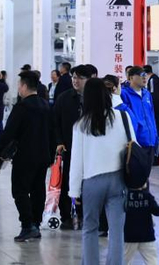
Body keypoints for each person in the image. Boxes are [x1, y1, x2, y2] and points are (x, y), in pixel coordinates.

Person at [69, 78, 135, 265]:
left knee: (90, 228)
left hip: (92, 182)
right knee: (116, 231)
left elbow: (77, 161)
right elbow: (134, 146)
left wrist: (74, 191)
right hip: (118, 180)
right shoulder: (122, 117)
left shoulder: (81, 125)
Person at [0, 70, 55, 242]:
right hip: (43, 155)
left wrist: (0, 153)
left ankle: (27, 225)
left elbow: (9, 132)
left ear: (24, 86)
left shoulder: (22, 107)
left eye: (19, 85)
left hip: (24, 156)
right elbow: (53, 132)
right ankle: (36, 224)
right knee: (38, 190)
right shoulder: (46, 105)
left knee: (20, 190)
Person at [54, 64, 92, 230]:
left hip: (90, 150)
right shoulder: (64, 98)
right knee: (67, 182)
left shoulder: (94, 99)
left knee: (87, 183)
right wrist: (59, 141)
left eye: (80, 78)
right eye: (74, 77)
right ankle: (66, 216)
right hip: (69, 149)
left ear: (88, 80)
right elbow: (55, 122)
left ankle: (84, 215)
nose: (76, 81)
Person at [124, 183, 159, 265]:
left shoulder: (125, 197)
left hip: (130, 236)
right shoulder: (147, 196)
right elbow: (157, 211)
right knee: (151, 260)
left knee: (125, 260)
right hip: (147, 235)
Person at [121, 66, 159, 162]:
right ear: (131, 77)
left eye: (145, 75)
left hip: (150, 140)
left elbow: (152, 116)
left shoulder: (147, 94)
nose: (144, 77)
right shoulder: (124, 94)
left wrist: (155, 135)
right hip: (135, 141)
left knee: (148, 169)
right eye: (141, 75)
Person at [144, 65, 159, 166]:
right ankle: (155, 157)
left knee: (156, 134)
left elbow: (155, 97)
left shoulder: (153, 80)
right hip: (157, 112)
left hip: (155, 113)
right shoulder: (155, 79)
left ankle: (156, 157)